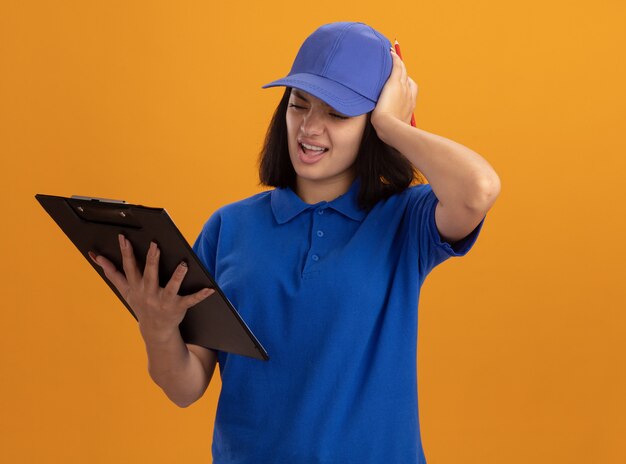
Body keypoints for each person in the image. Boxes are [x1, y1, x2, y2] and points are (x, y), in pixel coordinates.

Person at [90, 21, 500, 464]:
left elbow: (479, 188)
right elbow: (185, 387)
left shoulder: (404, 220)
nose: (309, 127)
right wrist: (156, 327)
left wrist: (391, 126)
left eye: (337, 114)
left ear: (372, 127)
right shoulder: (229, 227)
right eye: (298, 104)